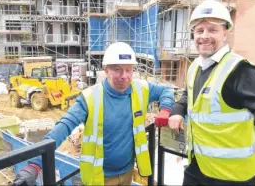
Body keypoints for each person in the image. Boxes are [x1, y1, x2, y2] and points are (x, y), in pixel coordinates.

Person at [168, 0, 255, 185]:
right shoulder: (195, 67)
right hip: (198, 167)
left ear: (225, 32)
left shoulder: (239, 70)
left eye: (212, 30)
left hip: (231, 177)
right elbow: (190, 97)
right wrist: (177, 111)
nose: (204, 36)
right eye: (199, 30)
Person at [13, 42, 175, 185]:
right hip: (100, 177)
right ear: (106, 70)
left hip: (127, 173)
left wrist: (165, 109)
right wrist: (35, 163)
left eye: (128, 70)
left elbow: (166, 91)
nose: (124, 76)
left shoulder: (141, 89)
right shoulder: (90, 97)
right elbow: (64, 126)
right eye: (117, 70)